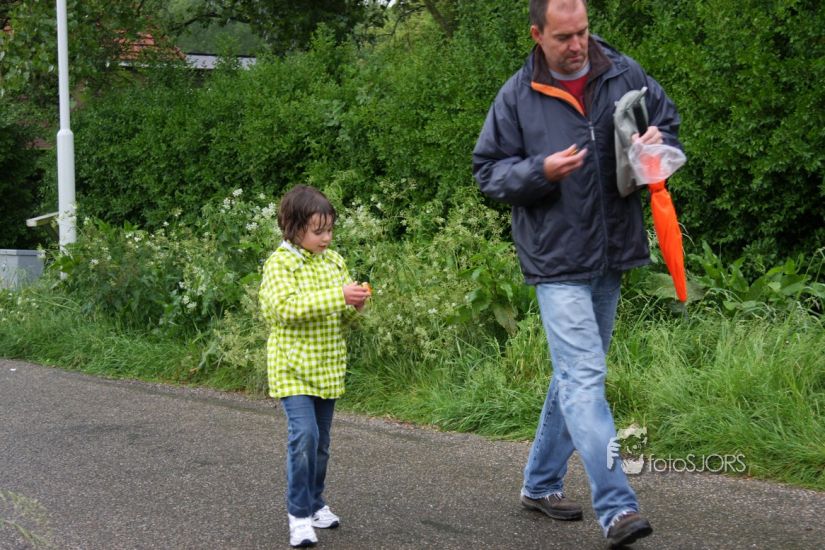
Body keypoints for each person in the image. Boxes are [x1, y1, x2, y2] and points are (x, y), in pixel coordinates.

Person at [472, 0, 681, 547]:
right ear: (537, 34)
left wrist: (658, 144)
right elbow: (488, 172)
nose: (577, 45)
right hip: (556, 258)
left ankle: (540, 484)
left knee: (574, 375)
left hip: (611, 252)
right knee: (584, 377)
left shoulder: (623, 73)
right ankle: (617, 507)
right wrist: (539, 171)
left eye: (583, 32)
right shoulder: (517, 95)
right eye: (564, 36)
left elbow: (667, 123)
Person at [258, 185, 370, 548]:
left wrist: (355, 307)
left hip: (327, 368)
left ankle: (316, 502)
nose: (326, 238)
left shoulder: (334, 262)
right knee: (304, 437)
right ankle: (299, 515)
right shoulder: (281, 263)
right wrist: (338, 296)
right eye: (318, 231)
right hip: (291, 369)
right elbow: (283, 309)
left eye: (330, 230)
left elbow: (343, 319)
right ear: (293, 227)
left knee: (320, 444)